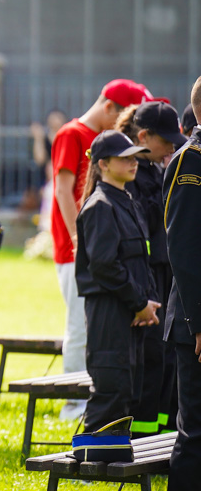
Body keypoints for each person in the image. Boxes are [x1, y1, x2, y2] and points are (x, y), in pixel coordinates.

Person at [50, 79, 151, 420]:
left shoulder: (123, 196)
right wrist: (78, 241)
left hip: (99, 251)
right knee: (81, 329)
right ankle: (75, 403)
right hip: (79, 250)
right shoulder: (72, 134)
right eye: (126, 113)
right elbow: (64, 191)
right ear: (110, 106)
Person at [74, 130, 158, 433]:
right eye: (125, 158)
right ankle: (89, 468)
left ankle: (111, 461)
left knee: (128, 388)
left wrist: (145, 303)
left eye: (135, 156)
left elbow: (140, 258)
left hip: (130, 310)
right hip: (110, 311)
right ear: (103, 164)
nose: (134, 163)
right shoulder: (100, 206)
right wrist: (138, 302)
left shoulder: (126, 199)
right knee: (112, 387)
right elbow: (105, 265)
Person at [115, 101, 186, 436]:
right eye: (166, 140)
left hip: (164, 273)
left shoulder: (157, 168)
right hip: (144, 279)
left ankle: (161, 436)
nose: (172, 146)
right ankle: (141, 440)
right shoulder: (128, 174)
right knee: (149, 360)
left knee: (165, 360)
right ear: (143, 135)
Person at [163, 76, 201, 491]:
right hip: (197, 323)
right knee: (196, 433)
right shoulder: (192, 160)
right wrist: (198, 322)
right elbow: (185, 248)